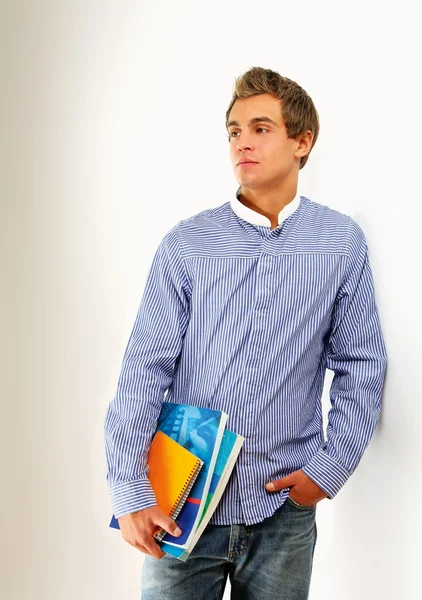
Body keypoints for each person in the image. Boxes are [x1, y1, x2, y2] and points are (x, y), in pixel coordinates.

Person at [104, 66, 388, 599]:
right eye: (235, 130)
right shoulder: (188, 243)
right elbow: (144, 369)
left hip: (282, 512)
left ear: (303, 142)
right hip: (181, 506)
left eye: (261, 128)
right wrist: (129, 488)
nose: (242, 142)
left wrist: (326, 473)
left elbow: (362, 366)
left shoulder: (339, 243)